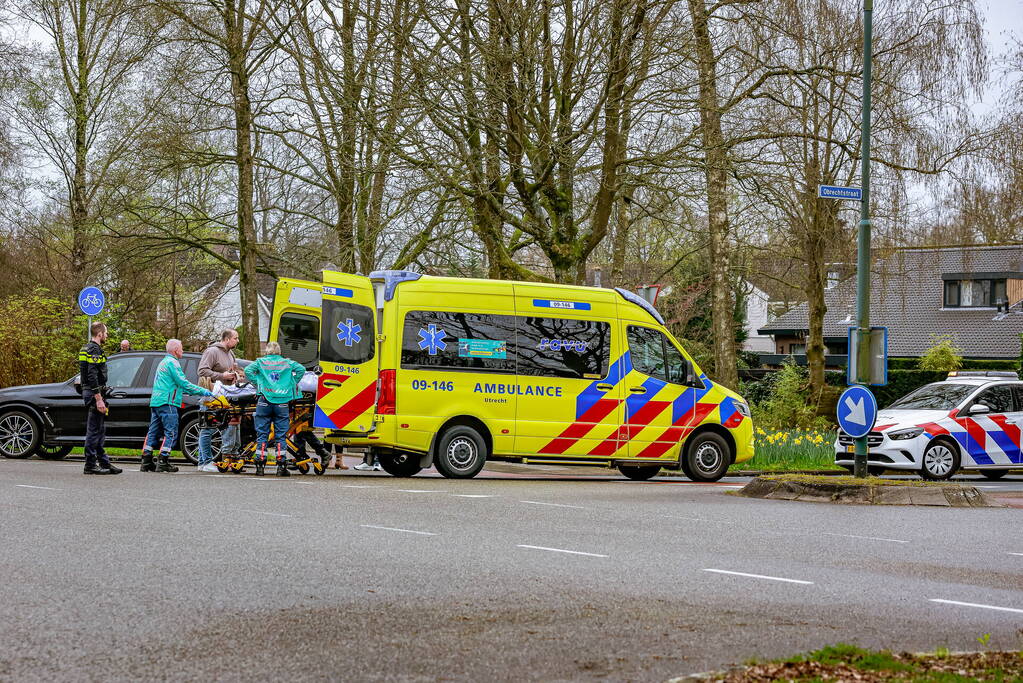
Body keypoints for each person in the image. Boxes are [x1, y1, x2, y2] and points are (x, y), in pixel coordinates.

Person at [141, 339, 212, 473]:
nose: (183, 350)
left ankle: (146, 460)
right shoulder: (173, 363)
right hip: (168, 402)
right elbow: (183, 383)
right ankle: (163, 460)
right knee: (171, 432)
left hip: (156, 401)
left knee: (153, 432)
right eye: (181, 348)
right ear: (175, 350)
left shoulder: (162, 362)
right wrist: (203, 391)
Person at [245, 342, 305, 476]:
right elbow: (301, 369)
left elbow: (248, 370)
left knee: (262, 434)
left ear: (266, 351)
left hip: (264, 400)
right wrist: (291, 383)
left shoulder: (260, 362)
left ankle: (260, 466)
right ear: (279, 351)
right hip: (282, 402)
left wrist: (258, 383)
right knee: (280, 436)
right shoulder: (287, 363)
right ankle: (281, 467)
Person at [197, 329, 243, 472]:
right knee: (207, 429)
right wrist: (222, 376)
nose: (238, 340)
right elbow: (202, 371)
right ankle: (206, 462)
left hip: (224, 397)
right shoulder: (212, 351)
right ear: (227, 339)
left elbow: (232, 371)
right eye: (235, 338)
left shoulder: (231, 353)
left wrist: (236, 375)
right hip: (210, 396)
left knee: (219, 428)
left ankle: (202, 463)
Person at [79, 323, 121, 475]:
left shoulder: (85, 348)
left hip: (92, 392)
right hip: (93, 393)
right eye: (106, 333)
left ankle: (104, 462)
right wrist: (98, 398)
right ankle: (90, 465)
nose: (107, 335)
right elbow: (92, 375)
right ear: (100, 334)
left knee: (99, 430)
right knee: (94, 430)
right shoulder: (94, 350)